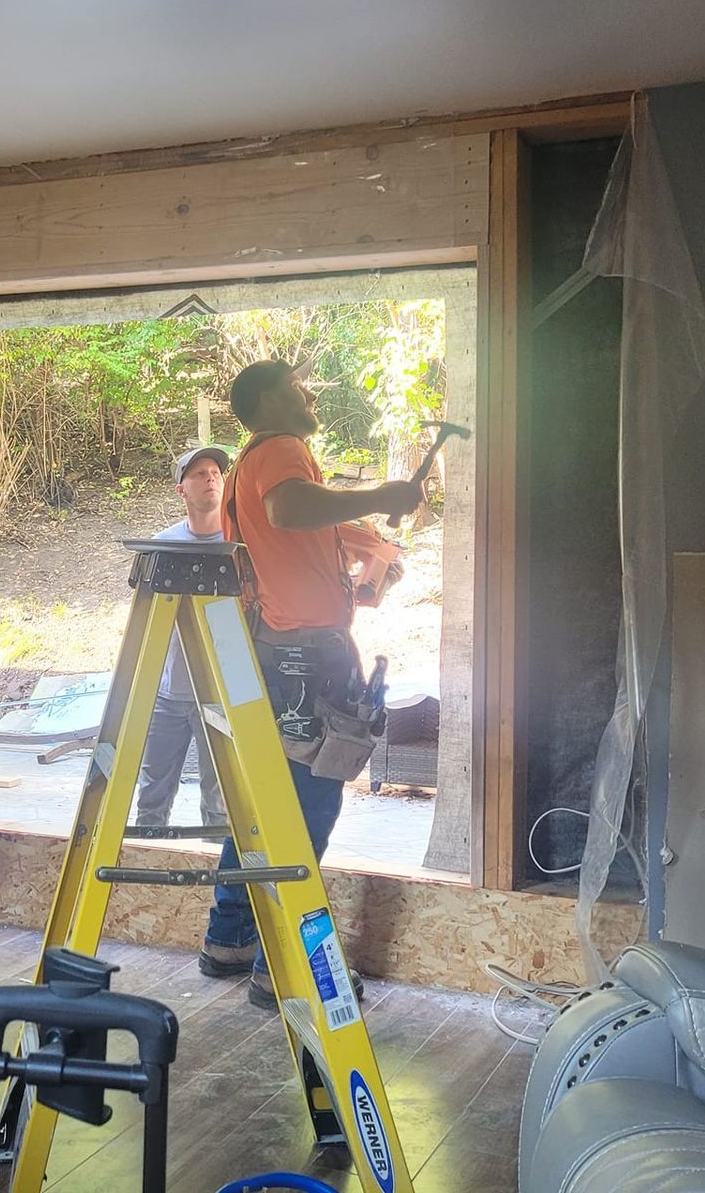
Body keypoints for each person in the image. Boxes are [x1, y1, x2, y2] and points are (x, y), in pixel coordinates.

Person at [199, 359, 422, 1009]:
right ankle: (285, 967)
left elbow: (292, 545)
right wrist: (380, 495)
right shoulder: (280, 448)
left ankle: (231, 938)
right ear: (268, 400)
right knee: (305, 808)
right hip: (305, 663)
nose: (308, 396)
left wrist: (360, 582)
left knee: (266, 803)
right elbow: (290, 507)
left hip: (280, 652)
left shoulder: (254, 463)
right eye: (297, 388)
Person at [133, 446, 231, 832]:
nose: (210, 478)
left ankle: (217, 866)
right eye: (199, 473)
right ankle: (146, 857)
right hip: (169, 693)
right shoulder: (163, 544)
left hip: (225, 693)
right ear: (181, 490)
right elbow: (144, 617)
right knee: (152, 798)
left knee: (223, 803)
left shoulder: (241, 543)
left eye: (216, 472)